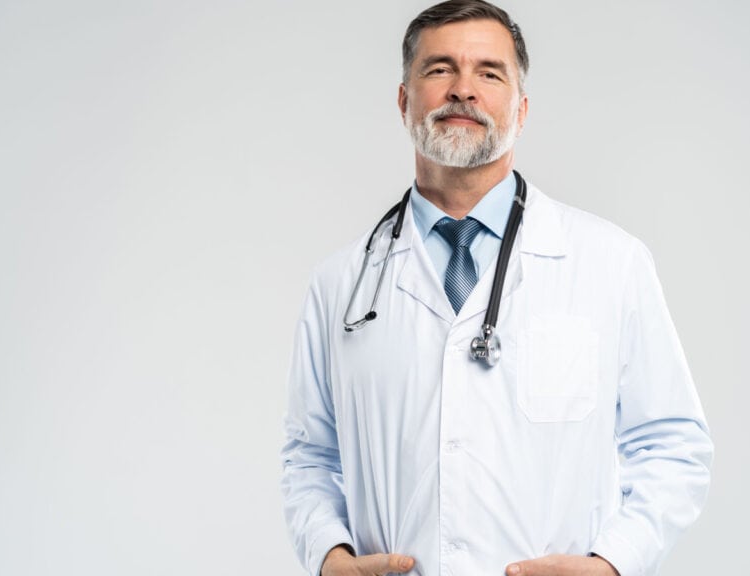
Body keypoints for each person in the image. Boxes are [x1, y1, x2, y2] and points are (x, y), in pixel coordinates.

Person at [280, 1, 713, 575]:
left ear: (522, 108)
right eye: (439, 70)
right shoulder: (342, 283)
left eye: (489, 72)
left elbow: (674, 445)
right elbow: (310, 457)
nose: (463, 89)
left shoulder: (610, 263)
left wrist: (614, 563)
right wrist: (329, 556)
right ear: (405, 100)